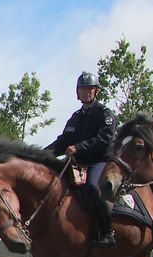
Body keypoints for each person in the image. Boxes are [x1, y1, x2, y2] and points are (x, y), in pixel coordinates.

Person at [44, 71, 117, 247]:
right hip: (78, 163)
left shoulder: (104, 114)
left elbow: (105, 138)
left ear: (96, 91)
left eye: (90, 89)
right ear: (77, 92)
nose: (86, 92)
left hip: (99, 161)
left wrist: (78, 147)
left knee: (93, 187)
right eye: (82, 89)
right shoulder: (75, 117)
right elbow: (63, 142)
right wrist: (41, 155)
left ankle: (107, 233)